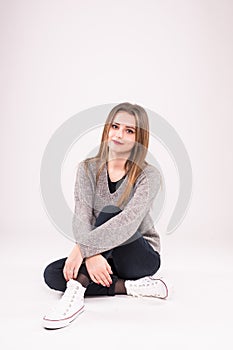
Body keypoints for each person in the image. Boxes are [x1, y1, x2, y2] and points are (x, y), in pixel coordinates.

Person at [42, 102, 169, 329]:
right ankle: (128, 287)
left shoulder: (148, 175)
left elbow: (127, 224)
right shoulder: (86, 169)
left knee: (110, 212)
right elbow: (82, 217)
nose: (119, 134)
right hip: (106, 255)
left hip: (139, 256)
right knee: (52, 274)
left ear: (139, 138)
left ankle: (75, 295)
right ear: (107, 129)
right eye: (115, 126)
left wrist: (83, 251)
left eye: (129, 131)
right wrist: (92, 256)